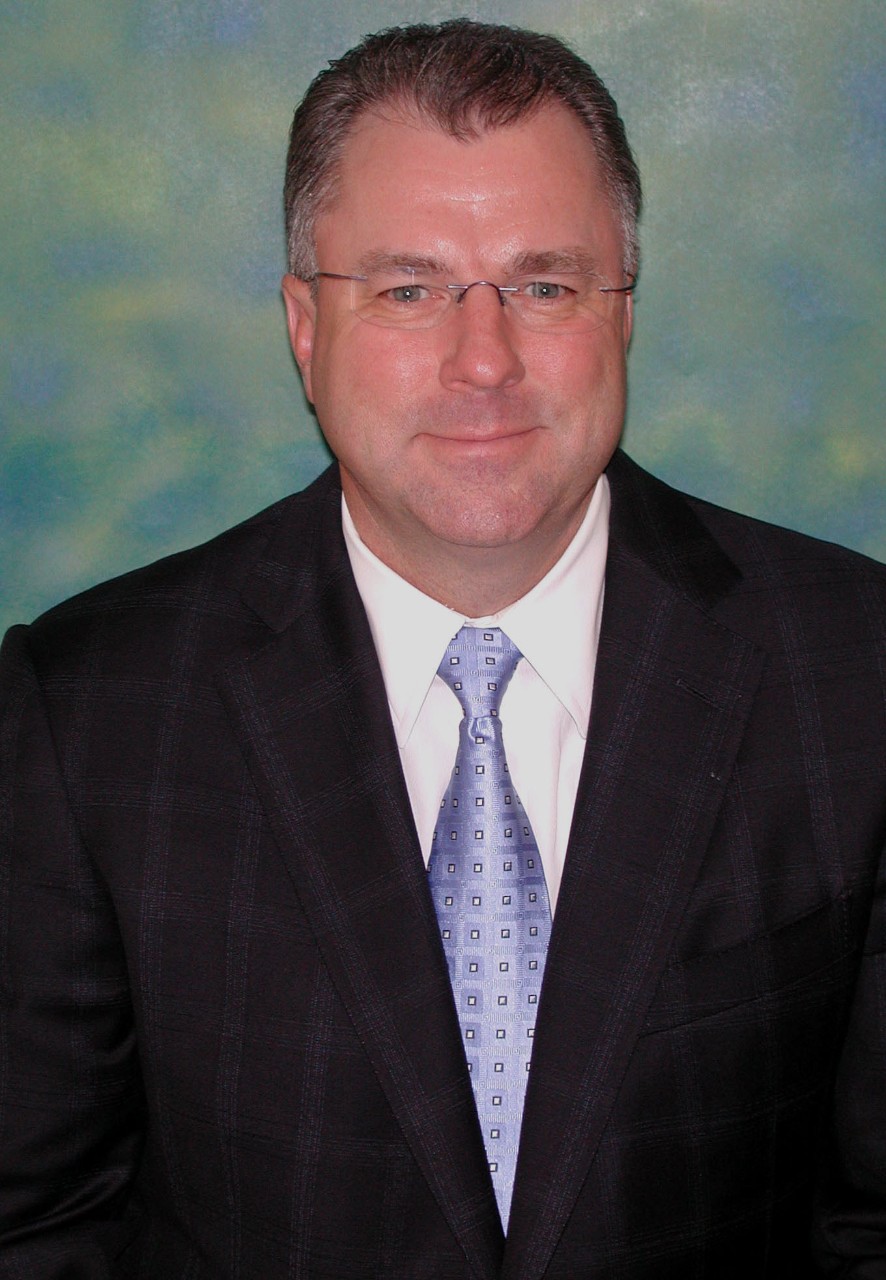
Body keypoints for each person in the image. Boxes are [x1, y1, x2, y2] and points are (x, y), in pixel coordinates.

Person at [1, 18, 884, 1278]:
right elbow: (34, 1229)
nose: (485, 360)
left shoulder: (853, 672)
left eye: (544, 283)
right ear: (306, 326)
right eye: (409, 287)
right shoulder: (84, 715)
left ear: (622, 313)